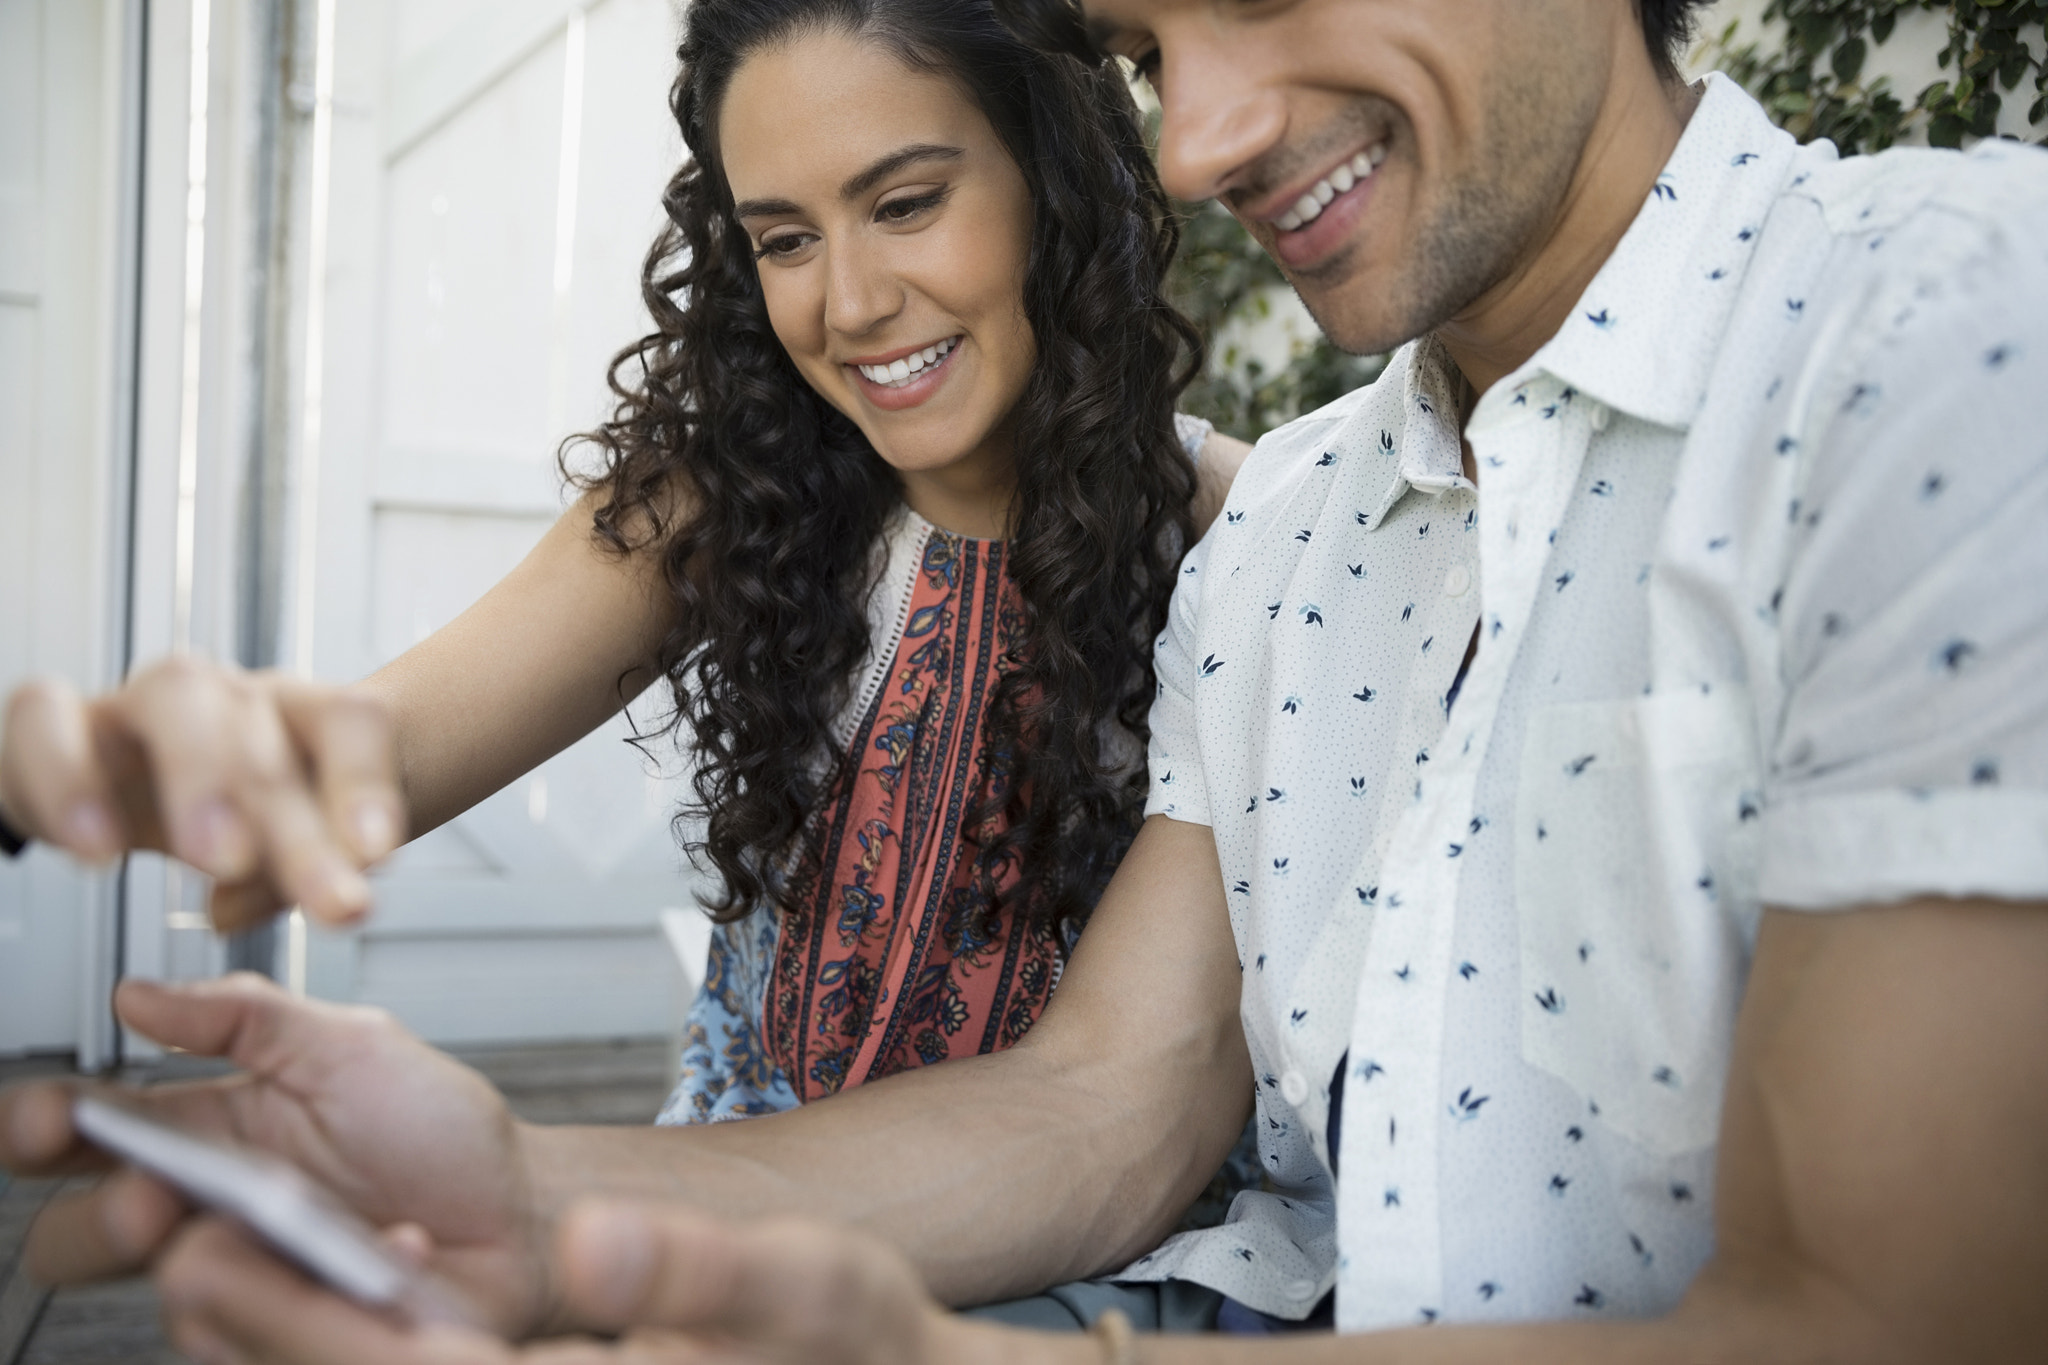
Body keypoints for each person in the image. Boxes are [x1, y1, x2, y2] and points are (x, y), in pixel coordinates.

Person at [6, 0, 2048, 1360]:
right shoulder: (1306, 532)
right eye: (1159, 42)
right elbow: (1108, 1094)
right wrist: (526, 1192)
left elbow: (1889, 1307)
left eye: (905, 200)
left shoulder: (1929, 325)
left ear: (1040, 189)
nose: (1204, 135)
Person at [0, 0, 1251, 1134]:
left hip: (1099, 1262)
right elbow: (391, 739)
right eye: (784, 240)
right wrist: (185, 762)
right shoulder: (732, 495)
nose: (852, 302)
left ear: (1057, 182)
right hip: (722, 1203)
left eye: (905, 203)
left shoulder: (1245, 537)